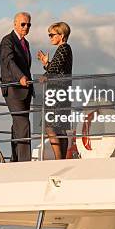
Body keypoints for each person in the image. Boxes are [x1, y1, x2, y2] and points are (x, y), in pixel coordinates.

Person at [0, 12, 34, 162]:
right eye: (23, 24)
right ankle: (24, 161)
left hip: (25, 90)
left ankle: (15, 159)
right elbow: (9, 61)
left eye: (28, 25)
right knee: (23, 122)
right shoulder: (7, 41)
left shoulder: (26, 43)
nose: (26, 27)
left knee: (18, 124)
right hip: (13, 89)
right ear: (15, 24)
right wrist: (20, 77)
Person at [37, 22, 73, 160]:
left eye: (52, 35)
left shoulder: (63, 48)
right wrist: (46, 64)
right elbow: (58, 67)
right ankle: (60, 158)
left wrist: (46, 75)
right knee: (60, 127)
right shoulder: (65, 49)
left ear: (61, 35)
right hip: (62, 93)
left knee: (50, 125)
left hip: (57, 94)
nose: (50, 37)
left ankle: (59, 159)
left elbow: (55, 69)